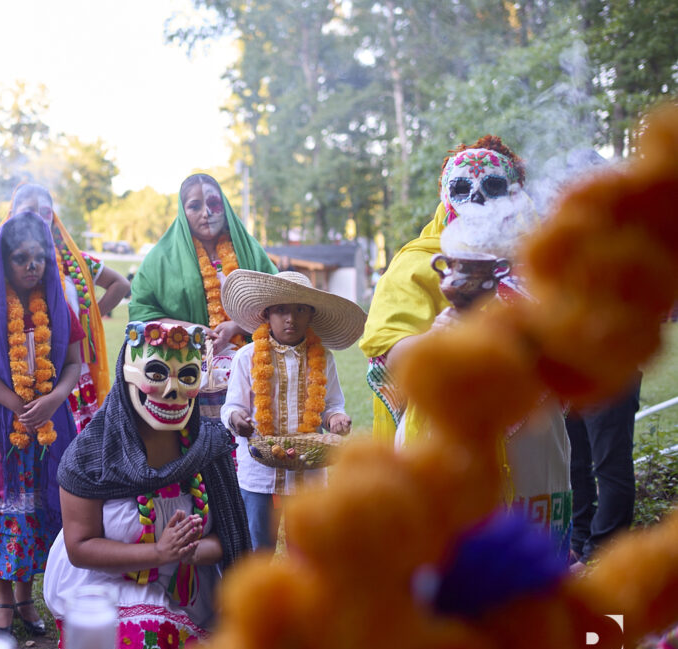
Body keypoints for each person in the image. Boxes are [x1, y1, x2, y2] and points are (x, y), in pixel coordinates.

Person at [359, 136, 571, 551]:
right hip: (447, 438)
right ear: (445, 195)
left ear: (513, 193)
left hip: (533, 437)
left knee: (531, 581)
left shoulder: (539, 259)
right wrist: (439, 337)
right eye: (461, 187)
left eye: (491, 186)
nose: (475, 197)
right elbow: (389, 354)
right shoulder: (419, 262)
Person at [44, 321, 251, 649]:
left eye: (186, 376)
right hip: (108, 587)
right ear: (128, 377)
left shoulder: (208, 447)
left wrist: (188, 550)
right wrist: (158, 552)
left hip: (189, 594)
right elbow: (80, 548)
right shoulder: (91, 454)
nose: (173, 391)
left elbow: (229, 538)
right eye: (156, 373)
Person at [0, 212, 82, 638]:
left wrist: (52, 399)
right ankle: (2, 602)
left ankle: (27, 598)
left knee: (33, 510)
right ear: (1, 262)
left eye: (39, 258)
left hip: (48, 422)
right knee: (2, 507)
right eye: (20, 258)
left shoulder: (59, 310)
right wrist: (16, 404)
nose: (32, 266)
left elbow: (73, 363)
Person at [219, 269, 366, 551]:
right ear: (266, 315)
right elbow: (233, 407)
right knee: (257, 545)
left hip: (308, 472)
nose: (291, 319)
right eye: (282, 310)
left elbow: (331, 405)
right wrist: (237, 420)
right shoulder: (247, 357)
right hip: (259, 473)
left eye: (300, 310)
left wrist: (336, 418)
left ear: (311, 315)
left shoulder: (322, 358)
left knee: (308, 547)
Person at [129, 173, 277, 417]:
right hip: (183, 374)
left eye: (213, 203)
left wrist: (236, 327)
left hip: (255, 373)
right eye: (195, 206)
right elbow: (142, 314)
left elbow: (279, 304)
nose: (206, 212)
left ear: (225, 207)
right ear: (183, 211)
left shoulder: (250, 250)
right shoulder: (161, 258)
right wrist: (190, 330)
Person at [10, 183, 130, 431]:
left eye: (45, 211)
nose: (39, 218)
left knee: (73, 448)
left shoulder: (76, 261)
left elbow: (120, 284)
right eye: (29, 210)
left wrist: (87, 319)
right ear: (12, 215)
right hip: (19, 369)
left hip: (71, 370)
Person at [566, 377, 640, 567]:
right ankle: (578, 543)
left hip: (607, 373)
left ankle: (601, 554)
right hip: (567, 373)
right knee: (574, 465)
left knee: (610, 468)